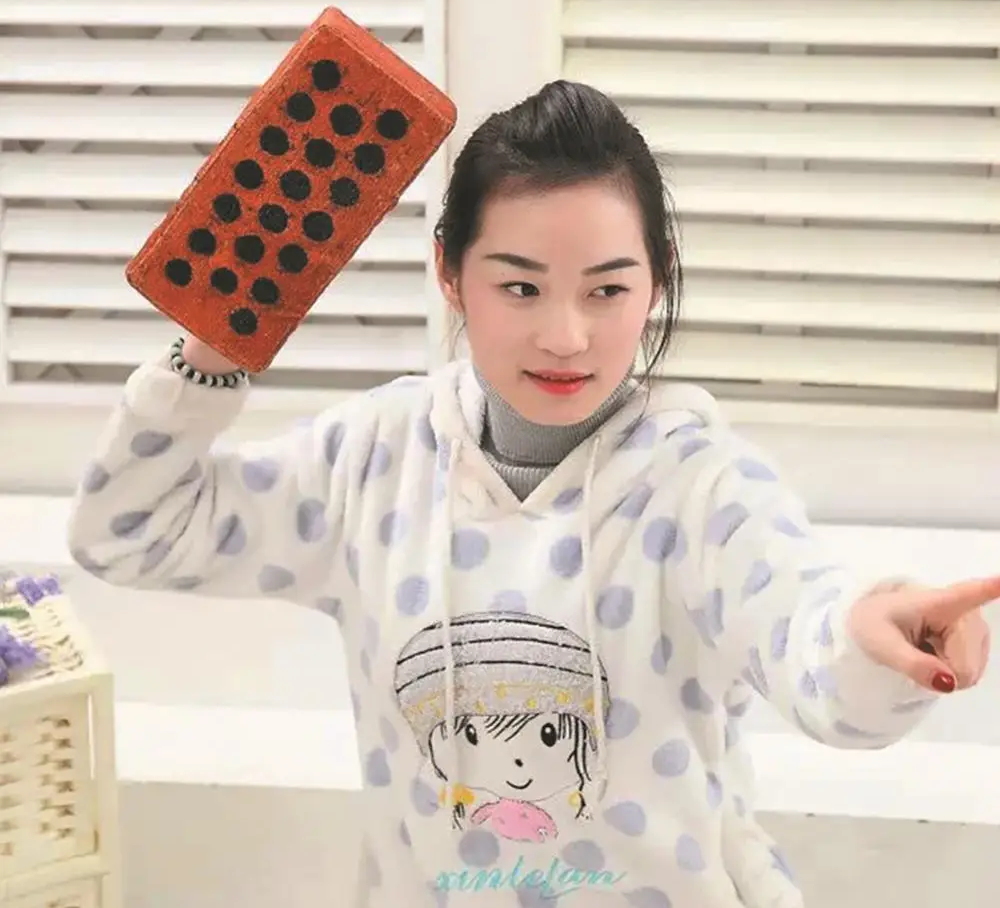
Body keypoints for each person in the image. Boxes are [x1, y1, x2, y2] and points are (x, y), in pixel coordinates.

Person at [67, 80, 997, 908]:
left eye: (606, 290)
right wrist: (213, 354)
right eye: (520, 286)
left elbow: (811, 644)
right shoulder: (372, 461)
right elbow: (127, 534)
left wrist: (874, 637)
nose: (565, 336)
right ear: (450, 274)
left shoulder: (701, 487)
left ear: (657, 280)